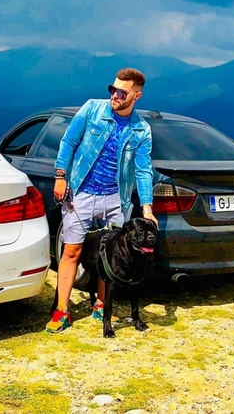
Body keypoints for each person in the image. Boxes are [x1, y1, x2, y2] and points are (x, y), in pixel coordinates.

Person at [46, 67, 157, 334]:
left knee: (110, 253)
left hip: (116, 200)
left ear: (136, 96)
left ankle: (101, 304)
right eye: (112, 89)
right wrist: (60, 175)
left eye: (122, 92)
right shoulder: (91, 109)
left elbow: (143, 170)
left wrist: (147, 208)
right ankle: (62, 310)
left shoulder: (141, 130)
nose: (115, 95)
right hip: (81, 194)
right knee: (71, 251)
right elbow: (68, 142)